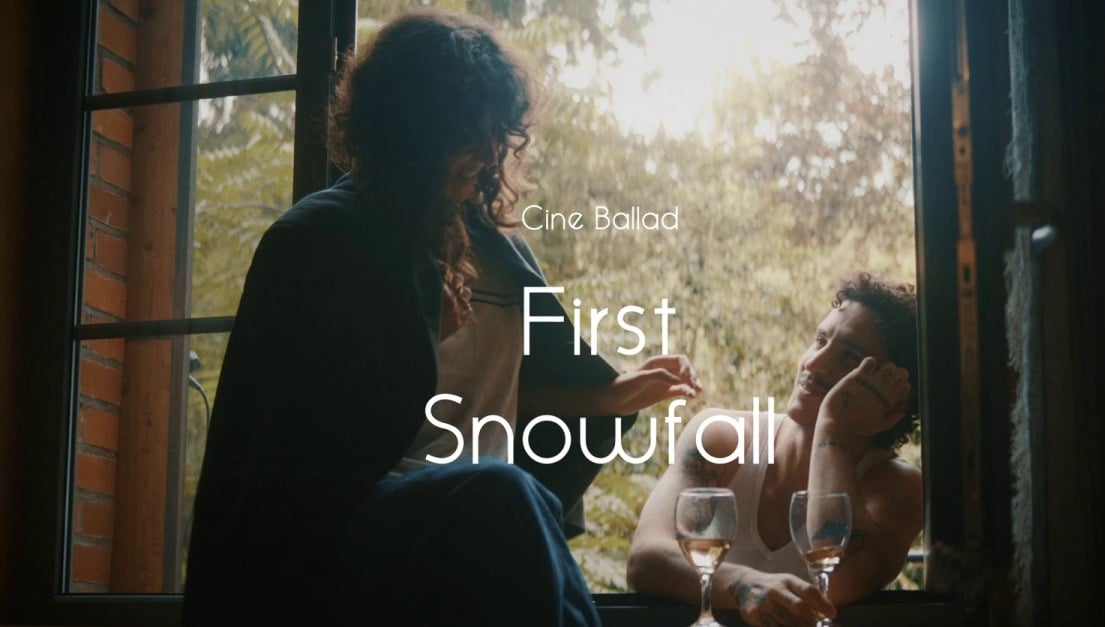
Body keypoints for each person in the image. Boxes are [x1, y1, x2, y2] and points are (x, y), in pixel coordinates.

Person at [183, 10, 700, 626]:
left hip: (480, 520)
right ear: (413, 128)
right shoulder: (316, 242)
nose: (487, 150)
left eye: (495, 129)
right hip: (348, 531)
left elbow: (503, 397)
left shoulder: (504, 255)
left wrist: (612, 396)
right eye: (467, 129)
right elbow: (296, 447)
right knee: (504, 493)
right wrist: (420, 340)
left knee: (512, 494)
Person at [627, 274, 922, 627]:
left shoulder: (898, 487)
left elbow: (837, 582)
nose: (813, 363)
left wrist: (833, 430)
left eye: (848, 357)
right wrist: (743, 585)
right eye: (820, 340)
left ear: (892, 400)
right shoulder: (721, 438)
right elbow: (644, 561)